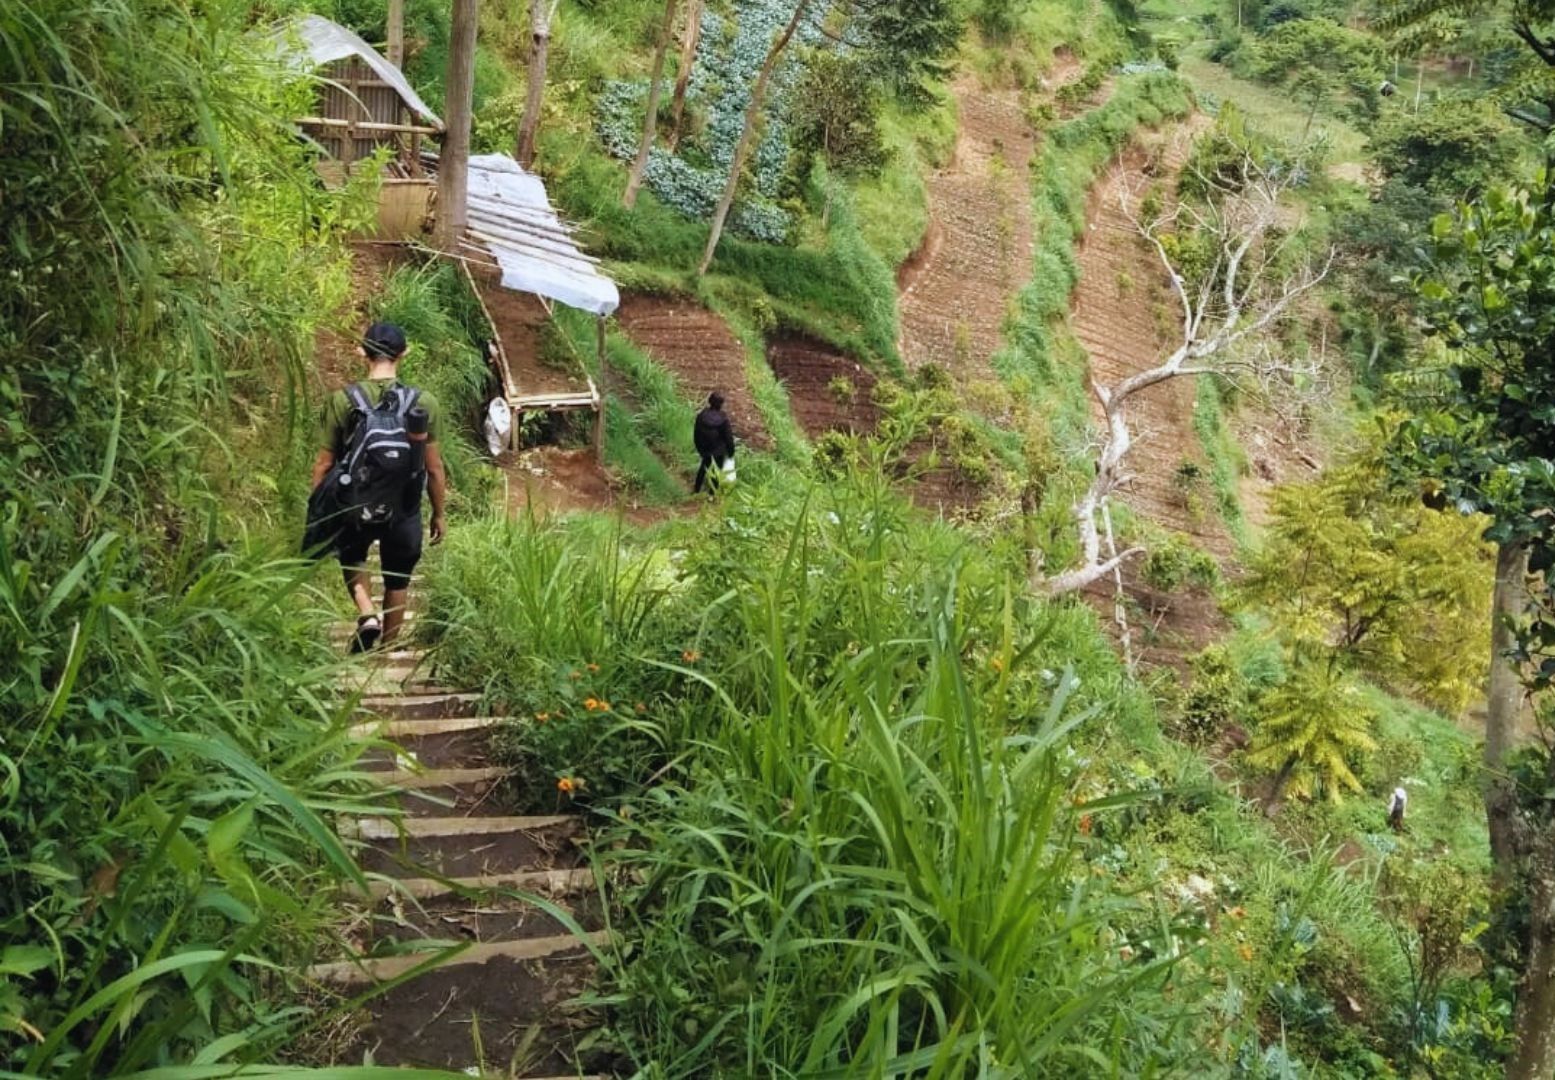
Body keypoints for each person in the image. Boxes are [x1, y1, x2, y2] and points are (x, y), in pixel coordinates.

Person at [311, 322, 448, 651]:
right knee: (398, 576)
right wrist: (439, 514)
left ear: (362, 352)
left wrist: (319, 509)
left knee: (352, 556)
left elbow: (324, 463)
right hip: (405, 505)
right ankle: (385, 653)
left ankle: (367, 612)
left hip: (355, 500)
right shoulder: (424, 402)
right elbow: (434, 467)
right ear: (404, 354)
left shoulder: (344, 400)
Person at [692, 391, 736, 494]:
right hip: (719, 450)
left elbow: (696, 434)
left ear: (709, 401)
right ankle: (712, 493)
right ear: (721, 404)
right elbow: (728, 437)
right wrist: (731, 451)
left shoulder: (702, 416)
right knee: (717, 470)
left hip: (705, 448)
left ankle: (696, 489)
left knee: (703, 467)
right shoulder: (723, 418)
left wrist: (699, 448)